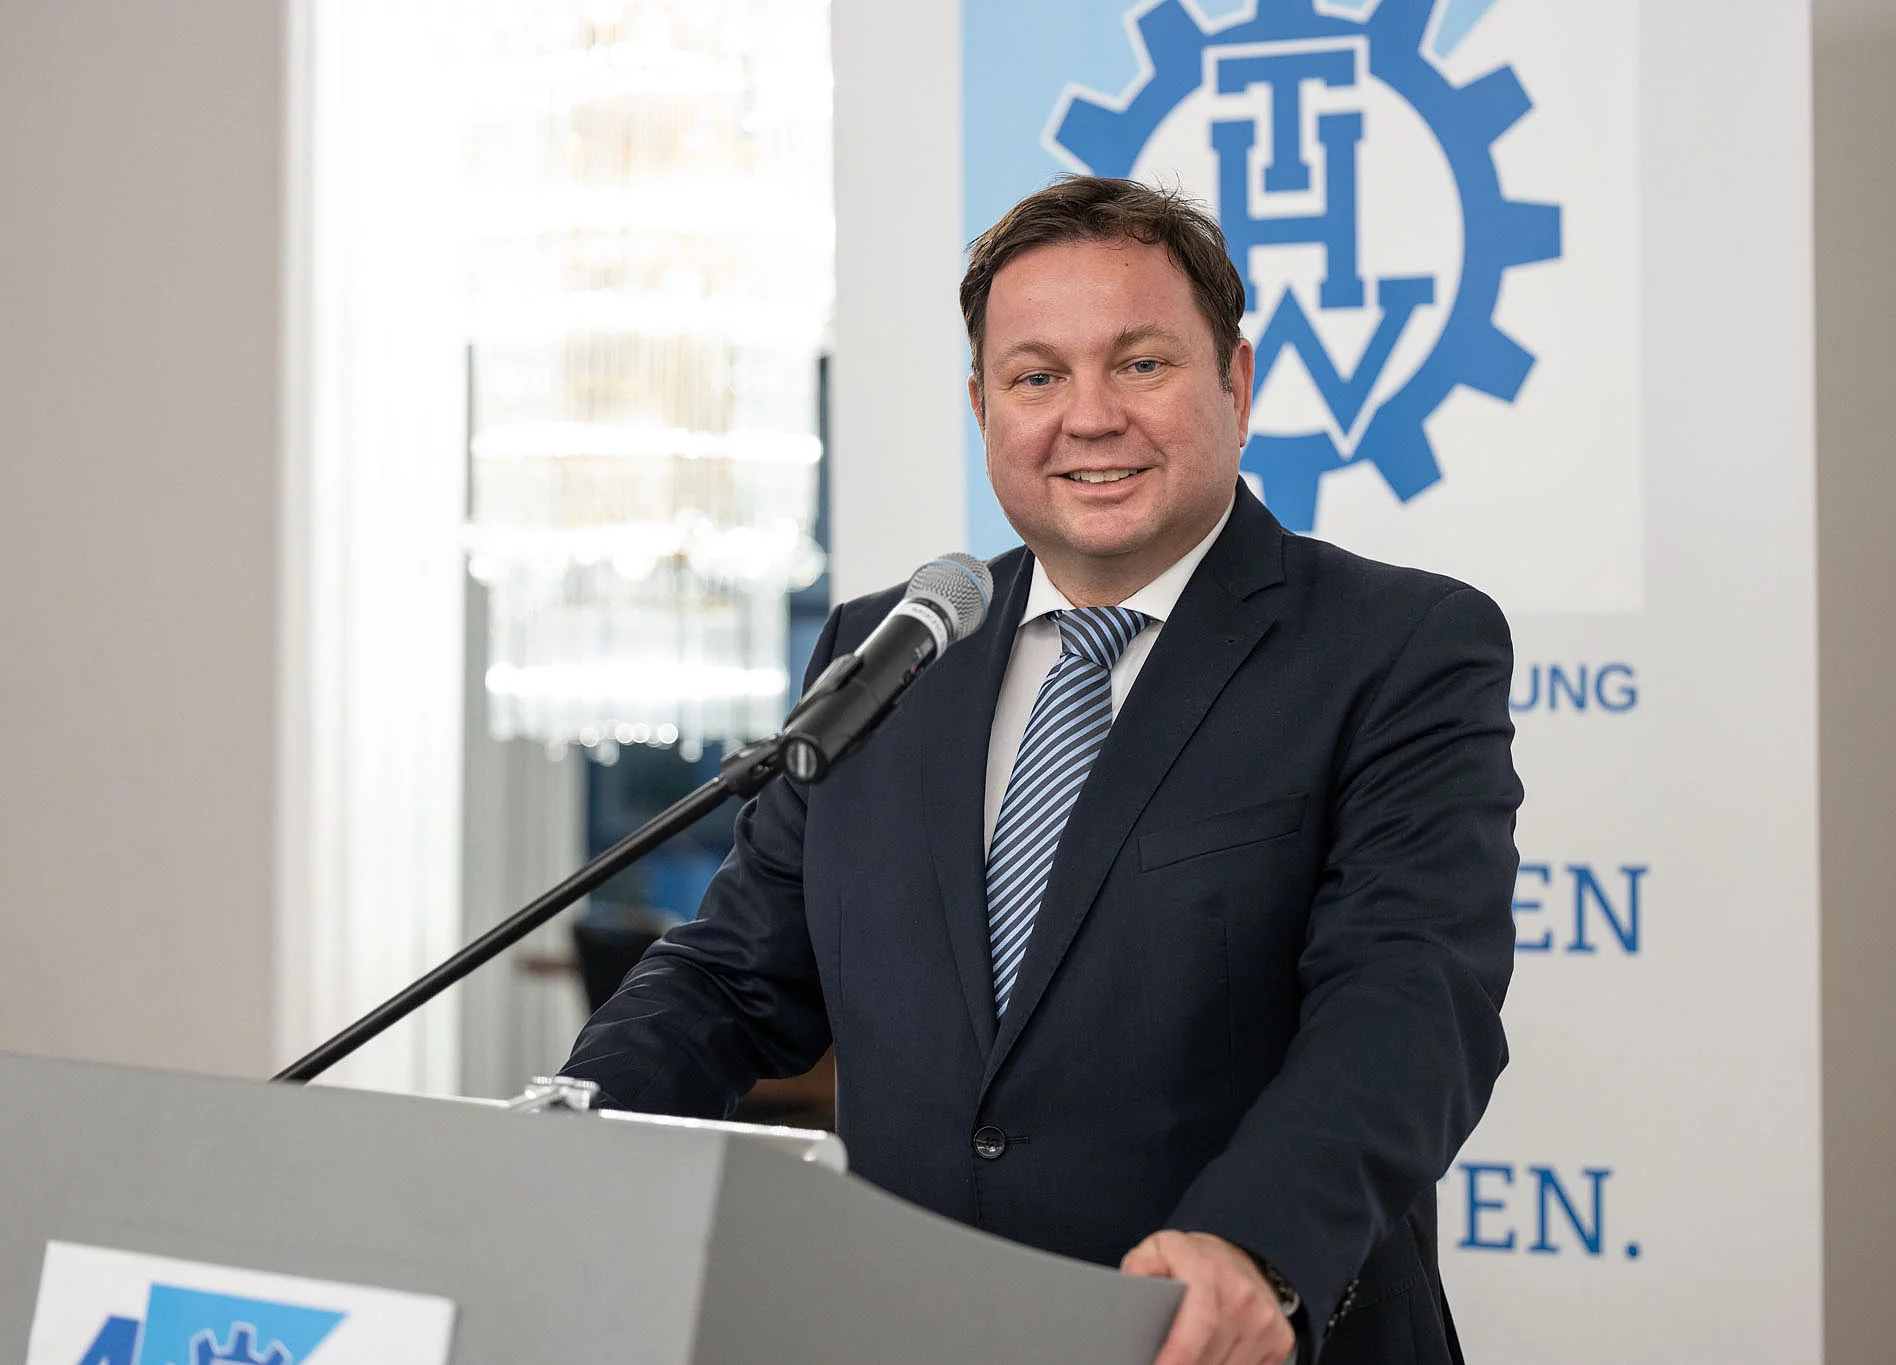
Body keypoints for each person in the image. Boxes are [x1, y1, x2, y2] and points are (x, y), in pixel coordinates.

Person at [562, 176, 1521, 1365]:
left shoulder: (1396, 646)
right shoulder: (889, 651)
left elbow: (1409, 997)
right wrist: (567, 1133)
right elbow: (732, 977)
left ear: (1235, 383)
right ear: (982, 407)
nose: (1089, 418)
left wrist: (1255, 1247)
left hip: (1211, 1341)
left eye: (1140, 364)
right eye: (1034, 377)